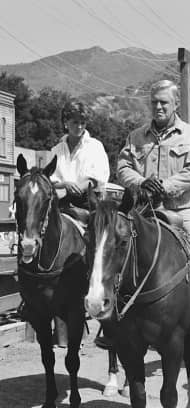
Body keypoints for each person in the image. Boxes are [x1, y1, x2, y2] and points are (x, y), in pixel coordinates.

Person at [117, 79, 190, 351]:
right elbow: (122, 166)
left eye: (163, 103)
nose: (158, 107)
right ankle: (111, 323)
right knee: (110, 252)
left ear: (175, 104)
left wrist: (163, 186)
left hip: (182, 210)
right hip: (143, 213)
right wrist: (140, 183)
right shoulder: (135, 137)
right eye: (154, 102)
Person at [17, 100, 110, 347]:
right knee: (37, 234)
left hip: (87, 205)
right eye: (73, 121)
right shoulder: (56, 149)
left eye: (81, 122)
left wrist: (76, 186)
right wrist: (61, 186)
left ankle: (101, 290)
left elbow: (98, 177)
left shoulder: (95, 147)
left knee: (97, 242)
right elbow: (50, 180)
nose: (77, 126)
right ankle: (30, 294)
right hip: (60, 204)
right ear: (65, 122)